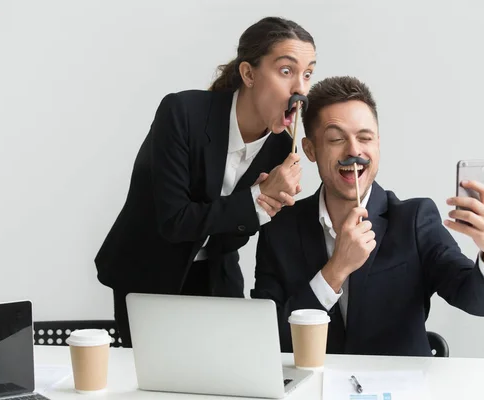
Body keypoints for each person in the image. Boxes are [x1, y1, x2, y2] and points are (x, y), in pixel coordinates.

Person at [250, 76, 484, 356]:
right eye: (337, 139)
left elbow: (477, 302)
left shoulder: (414, 220)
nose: (354, 151)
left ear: (378, 144)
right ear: (310, 149)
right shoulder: (279, 229)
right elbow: (268, 337)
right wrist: (335, 271)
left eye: (365, 138)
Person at [94, 17, 317, 347]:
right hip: (148, 274)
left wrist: (264, 208)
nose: (300, 87)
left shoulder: (281, 146)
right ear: (249, 73)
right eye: (286, 71)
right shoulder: (182, 113)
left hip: (216, 273)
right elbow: (174, 222)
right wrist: (257, 200)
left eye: (308, 73)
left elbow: (231, 237)